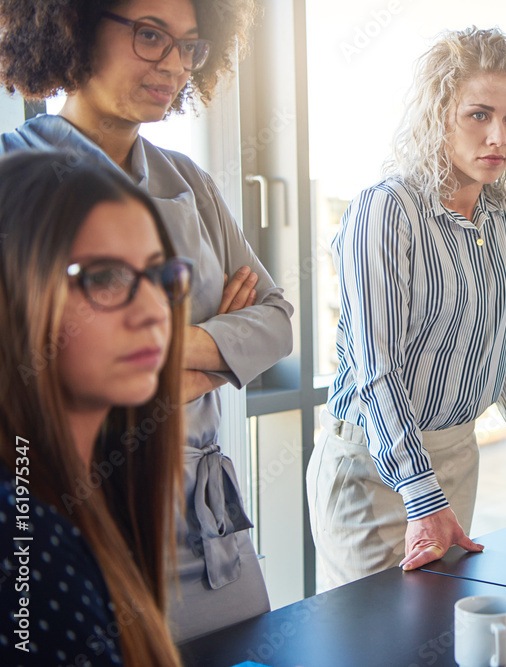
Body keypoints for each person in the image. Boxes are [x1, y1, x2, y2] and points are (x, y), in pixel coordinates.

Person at [0, 0, 294, 640]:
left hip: (208, 521)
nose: (173, 65)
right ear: (70, 28)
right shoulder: (12, 180)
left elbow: (275, 324)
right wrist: (217, 351)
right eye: (150, 35)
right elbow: (25, 383)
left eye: (190, 46)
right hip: (79, 512)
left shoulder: (188, 178)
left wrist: (143, 357)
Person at [307, 26, 506, 589]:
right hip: (374, 468)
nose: (499, 135)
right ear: (437, 115)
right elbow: (377, 371)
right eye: (478, 114)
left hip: (457, 457)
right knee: (379, 642)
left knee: (435, 634)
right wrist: (419, 495)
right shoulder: (386, 211)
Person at [0, 151, 189, 666]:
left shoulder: (94, 489)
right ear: (16, 295)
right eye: (104, 277)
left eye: (159, 276)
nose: (154, 311)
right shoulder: (27, 538)